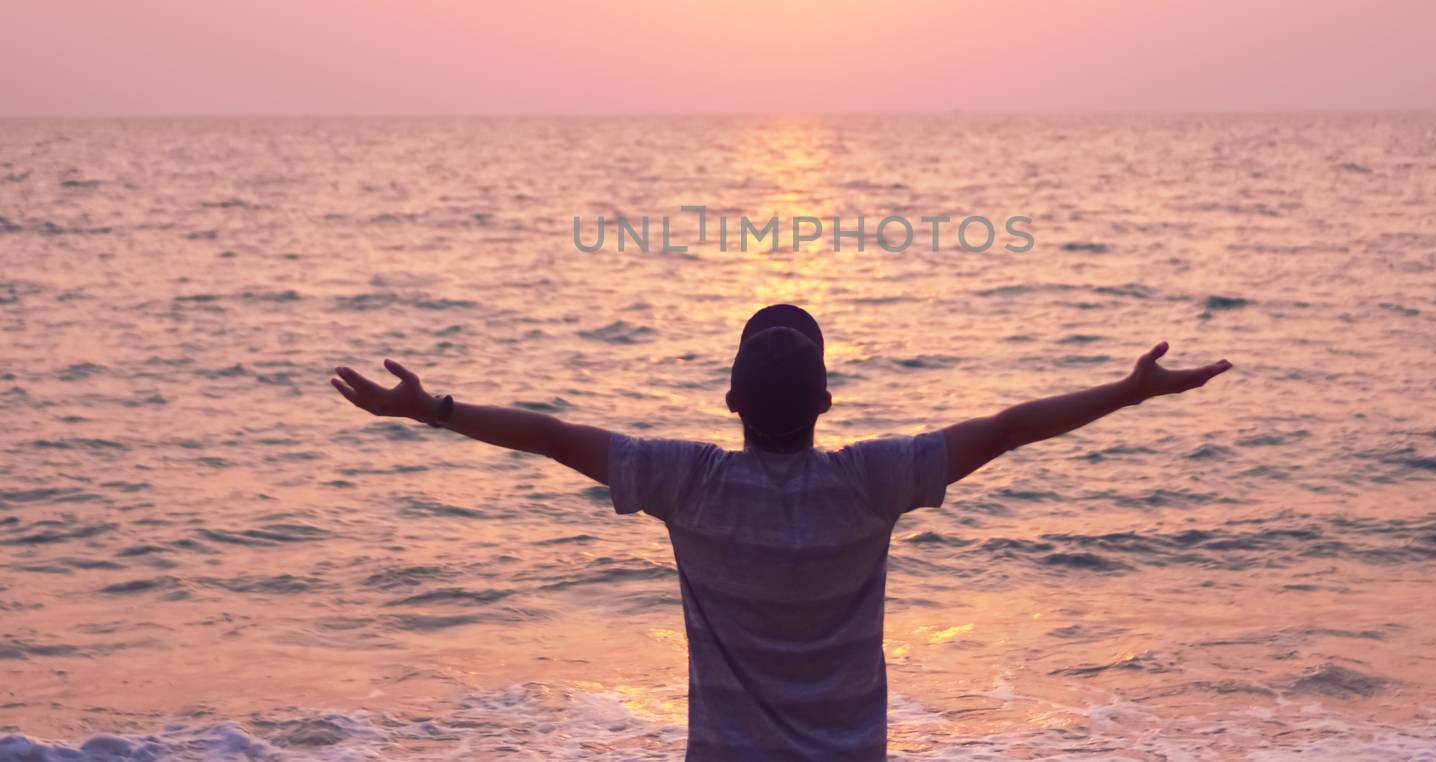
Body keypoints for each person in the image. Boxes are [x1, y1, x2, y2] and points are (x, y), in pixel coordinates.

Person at [330, 304, 1230, 761]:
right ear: (828, 405)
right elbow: (1010, 426)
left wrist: (434, 410)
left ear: (729, 404)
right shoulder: (871, 482)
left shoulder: (690, 482)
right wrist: (1128, 391)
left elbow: (553, 435)